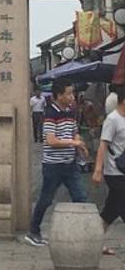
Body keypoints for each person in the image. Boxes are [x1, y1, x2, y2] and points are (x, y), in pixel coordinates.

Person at [25, 79, 88, 247]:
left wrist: (79, 144)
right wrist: (73, 143)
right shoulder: (50, 114)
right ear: (59, 95)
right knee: (46, 199)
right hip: (53, 165)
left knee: (80, 197)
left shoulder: (71, 111)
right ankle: (33, 231)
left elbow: (75, 132)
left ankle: (81, 234)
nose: (72, 96)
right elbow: (51, 140)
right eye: (68, 93)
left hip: (70, 164)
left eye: (72, 93)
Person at [92, 84, 125, 256]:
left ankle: (92, 241)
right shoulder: (112, 120)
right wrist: (98, 170)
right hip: (114, 172)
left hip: (123, 171)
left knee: (110, 211)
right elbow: (103, 145)